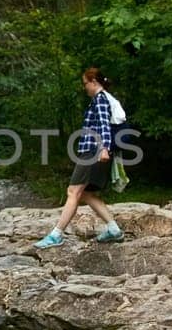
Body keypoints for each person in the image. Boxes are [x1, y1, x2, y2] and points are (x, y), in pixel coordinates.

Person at [35, 67, 123, 248]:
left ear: (94, 82)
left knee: (73, 192)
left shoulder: (100, 100)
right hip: (96, 152)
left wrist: (104, 148)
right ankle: (113, 229)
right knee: (87, 193)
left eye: (85, 84)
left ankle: (56, 235)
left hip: (93, 152)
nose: (85, 87)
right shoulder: (103, 99)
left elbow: (104, 126)